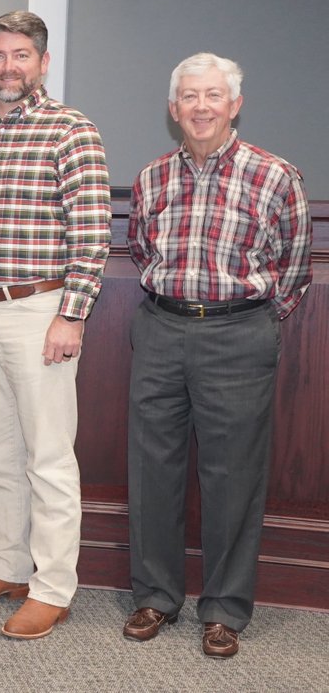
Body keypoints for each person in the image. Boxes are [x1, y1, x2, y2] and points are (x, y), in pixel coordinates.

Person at [123, 53, 312, 658]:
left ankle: (225, 608)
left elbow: (295, 269)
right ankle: (155, 596)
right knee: (152, 471)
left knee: (233, 478)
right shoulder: (152, 177)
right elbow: (139, 249)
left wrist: (246, 319)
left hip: (238, 337)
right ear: (172, 108)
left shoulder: (277, 176)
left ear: (234, 105)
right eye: (189, 97)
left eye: (213, 96)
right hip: (159, 330)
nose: (200, 107)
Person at [0, 10, 111, 639]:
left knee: (47, 456)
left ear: (42, 62)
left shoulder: (72, 130)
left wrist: (72, 316)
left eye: (20, 55)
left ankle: (53, 586)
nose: (7, 67)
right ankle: (8, 565)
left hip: (44, 311)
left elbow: (92, 232)